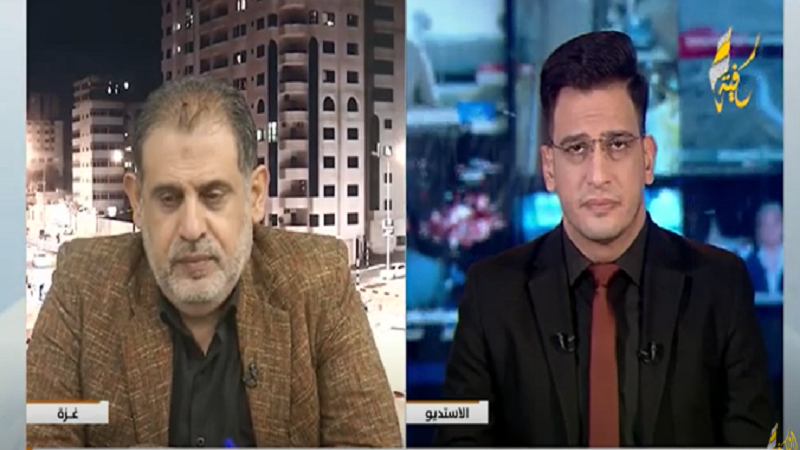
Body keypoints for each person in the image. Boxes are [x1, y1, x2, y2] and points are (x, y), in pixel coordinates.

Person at [433, 31, 774, 447]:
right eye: (577, 148)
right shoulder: (491, 294)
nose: (597, 175)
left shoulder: (720, 286)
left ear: (647, 158)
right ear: (549, 167)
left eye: (617, 144)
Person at [27, 77, 402, 448]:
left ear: (255, 195)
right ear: (137, 201)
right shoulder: (83, 285)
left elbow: (370, 442)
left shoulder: (319, 280)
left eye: (213, 195)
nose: (192, 228)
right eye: (169, 198)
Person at [745, 202, 783, 296]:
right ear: (758, 229)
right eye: (765, 224)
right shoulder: (748, 264)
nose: (770, 229)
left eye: (775, 224)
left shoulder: (795, 260)